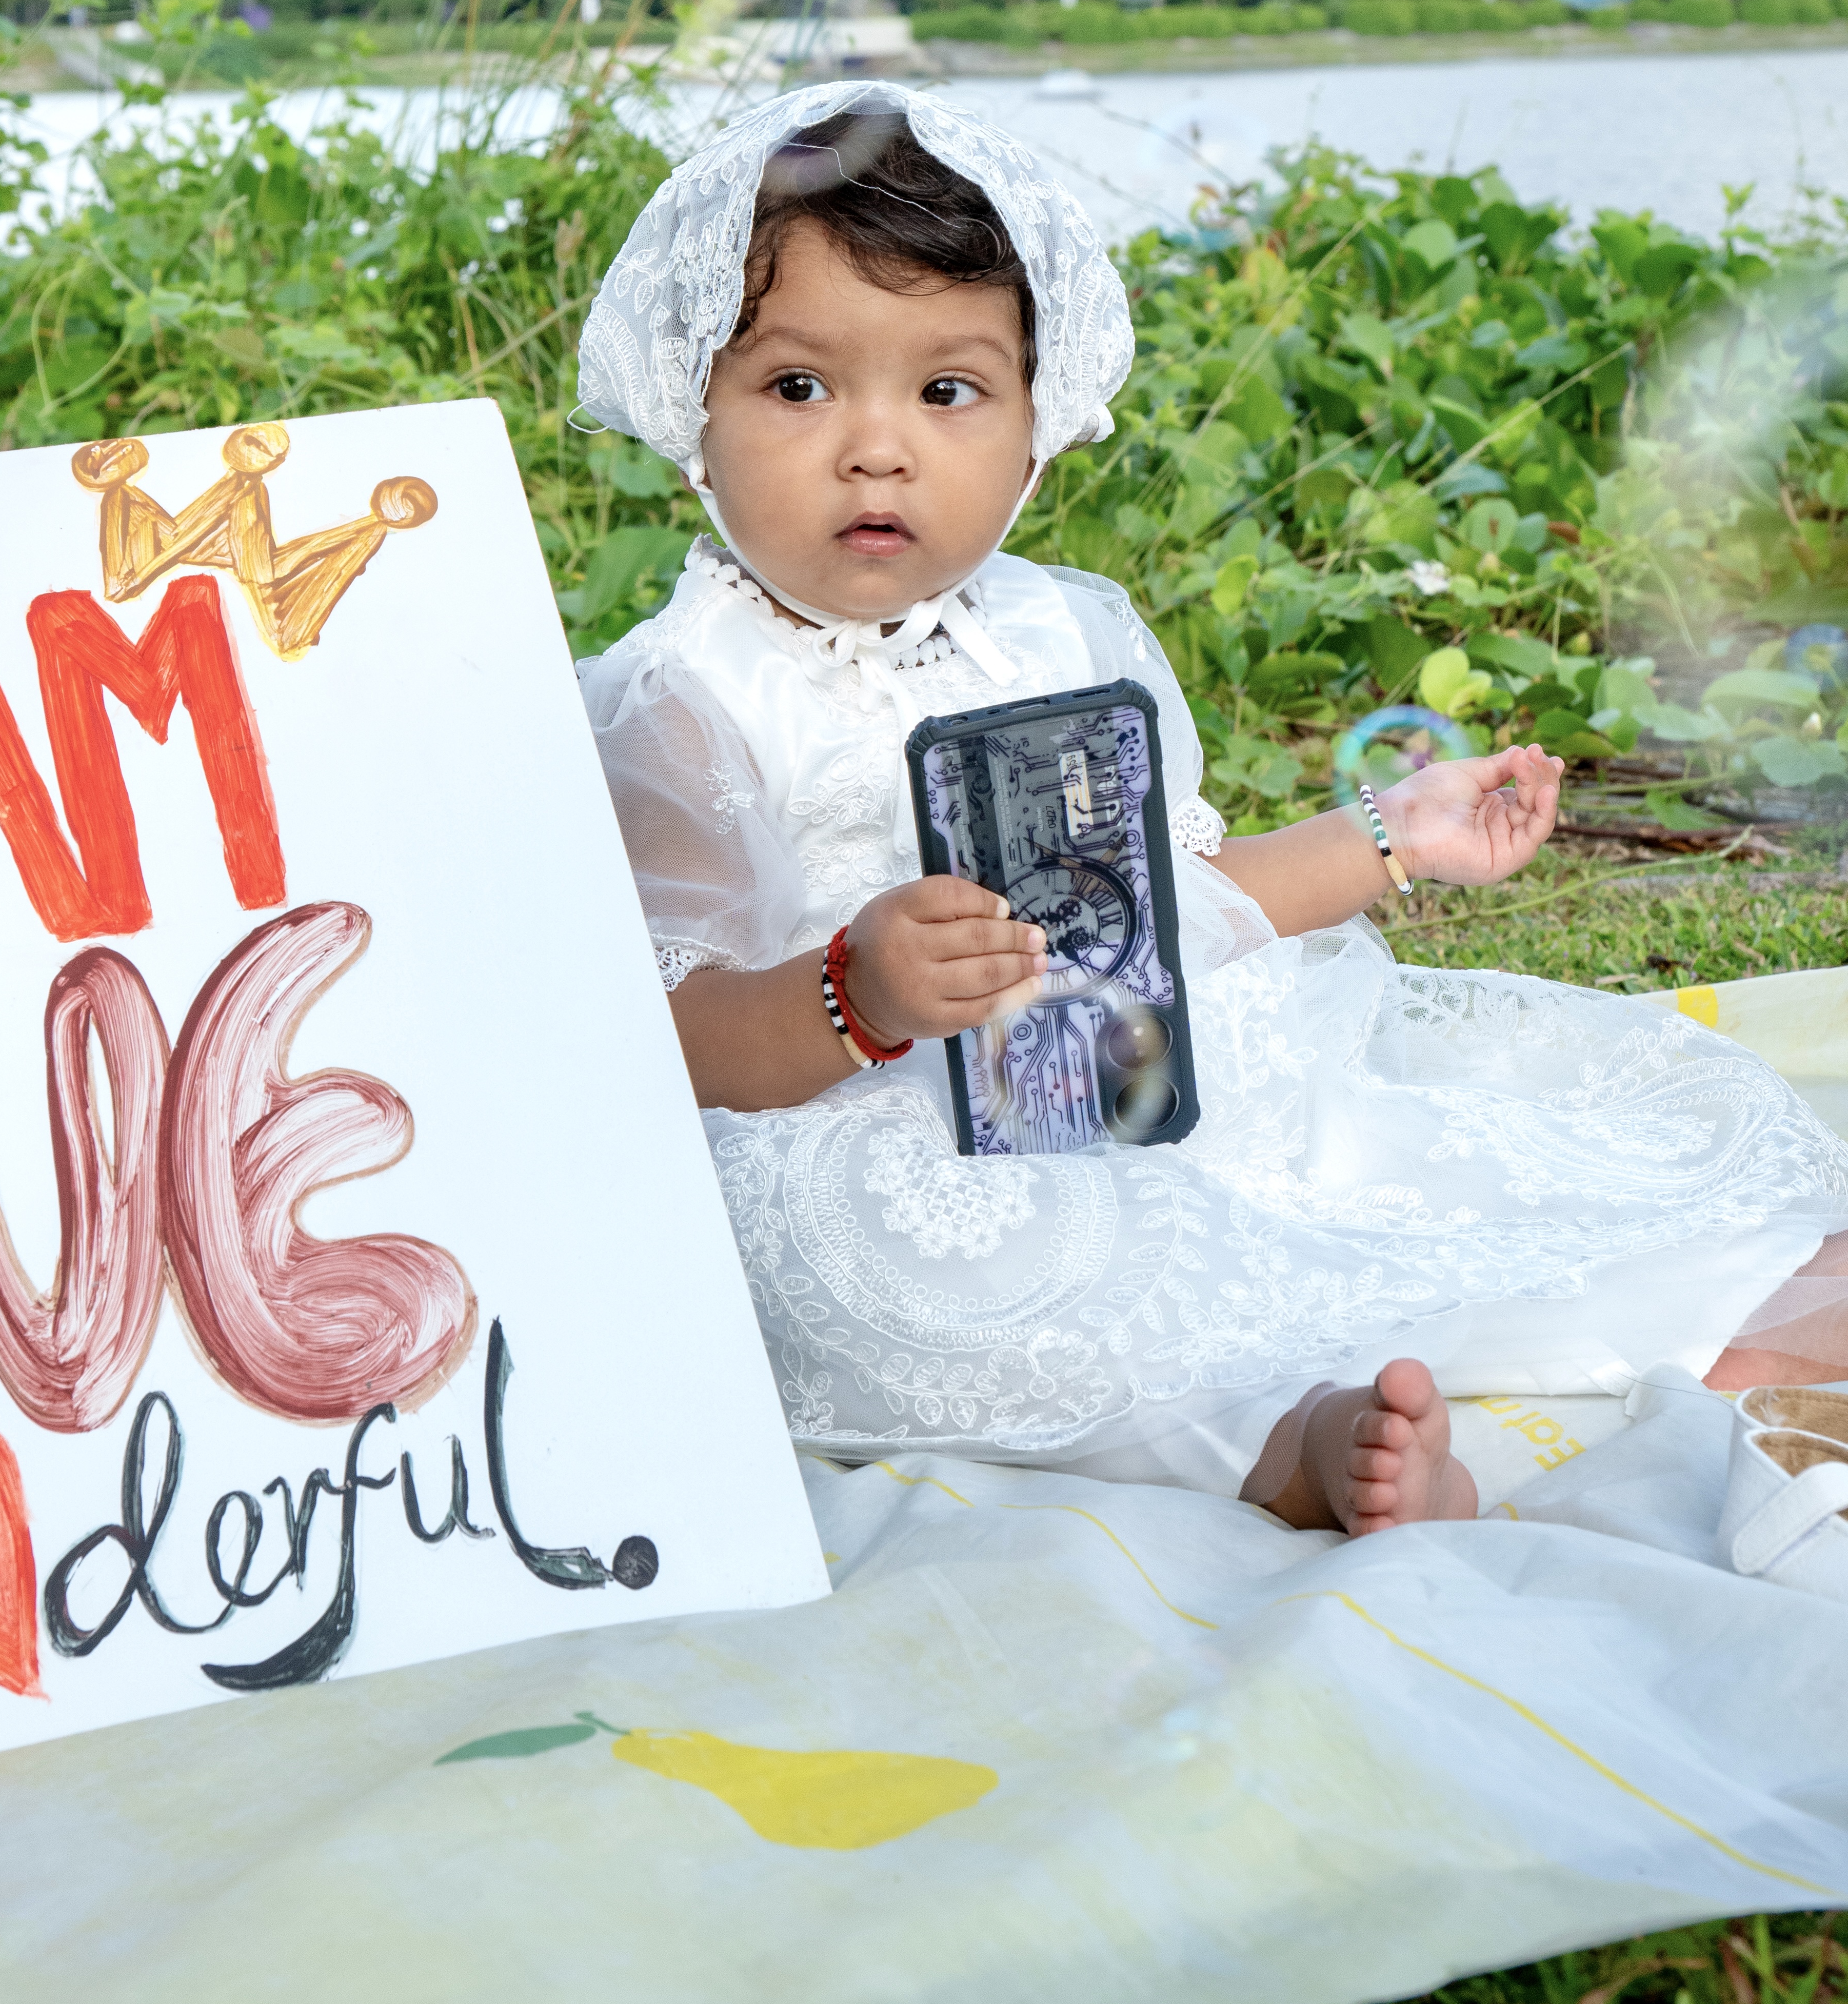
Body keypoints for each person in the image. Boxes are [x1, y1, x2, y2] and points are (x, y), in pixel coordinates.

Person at [577, 81, 1848, 1536]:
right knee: (919, 1292)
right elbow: (663, 1036)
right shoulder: (680, 703)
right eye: (801, 388)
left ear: (1038, 418)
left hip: (1111, 1073)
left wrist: (1392, 835)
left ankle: (1428, 1362)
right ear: (693, 403)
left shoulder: (1062, 636)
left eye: (949, 391)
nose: (880, 448)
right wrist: (853, 992)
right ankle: (1286, 1446)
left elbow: (1175, 902)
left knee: (1358, 1146)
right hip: (872, 1129)